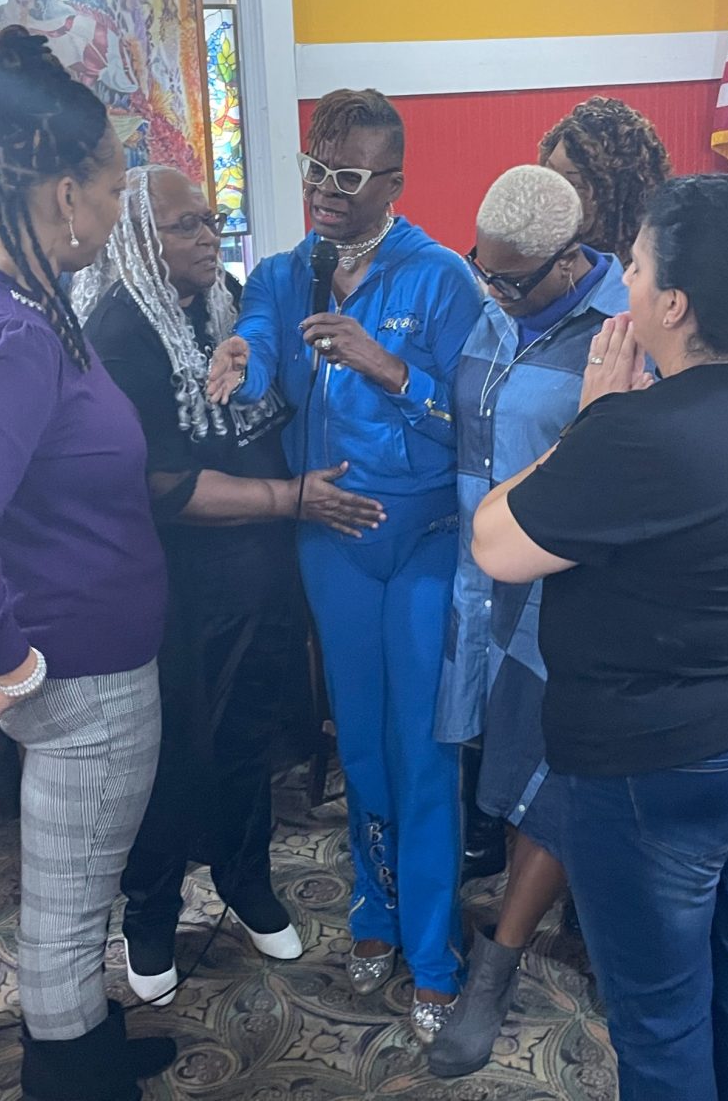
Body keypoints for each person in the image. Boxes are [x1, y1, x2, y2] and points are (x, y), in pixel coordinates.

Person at [471, 170, 728, 1101]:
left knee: (660, 1011)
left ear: (673, 303)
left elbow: (494, 542)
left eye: (632, 266)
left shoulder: (636, 432)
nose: (620, 283)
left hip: (660, 763)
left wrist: (591, 419)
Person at [0, 27, 174, 1101]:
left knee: (73, 886)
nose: (117, 216)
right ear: (65, 192)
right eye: (112, 192)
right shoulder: (18, 334)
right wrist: (12, 658)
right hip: (81, 680)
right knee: (70, 907)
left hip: (74, 661)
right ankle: (70, 1075)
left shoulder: (4, 296)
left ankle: (85, 1045)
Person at [208, 88, 482, 1040]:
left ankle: (435, 951)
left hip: (424, 540)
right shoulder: (286, 274)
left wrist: (388, 367)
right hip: (330, 540)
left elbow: (477, 424)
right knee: (359, 742)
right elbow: (259, 336)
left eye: (348, 176)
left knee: (422, 750)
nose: (325, 190)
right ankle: (375, 911)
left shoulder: (442, 279)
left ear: (393, 181)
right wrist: (241, 355)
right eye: (315, 170)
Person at [74, 164, 385, 1004]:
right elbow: (160, 485)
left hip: (261, 580)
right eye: (187, 224)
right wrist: (290, 498)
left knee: (249, 742)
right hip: (175, 594)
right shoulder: (118, 334)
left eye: (212, 218)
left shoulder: (227, 304)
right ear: (140, 238)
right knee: (171, 757)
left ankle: (246, 880)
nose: (209, 235)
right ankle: (151, 912)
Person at [428, 164, 637, 1077]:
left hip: (568, 595)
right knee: (512, 770)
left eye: (511, 279)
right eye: (484, 269)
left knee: (550, 778)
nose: (493, 291)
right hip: (484, 582)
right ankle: (583, 923)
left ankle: (497, 967)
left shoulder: (622, 328)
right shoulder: (493, 307)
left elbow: (629, 468)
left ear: (569, 259)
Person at [539, 95, 671, 265]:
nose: (552, 191)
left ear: (616, 198)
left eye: (574, 184)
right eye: (550, 173)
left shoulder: (648, 271)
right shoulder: (533, 252)